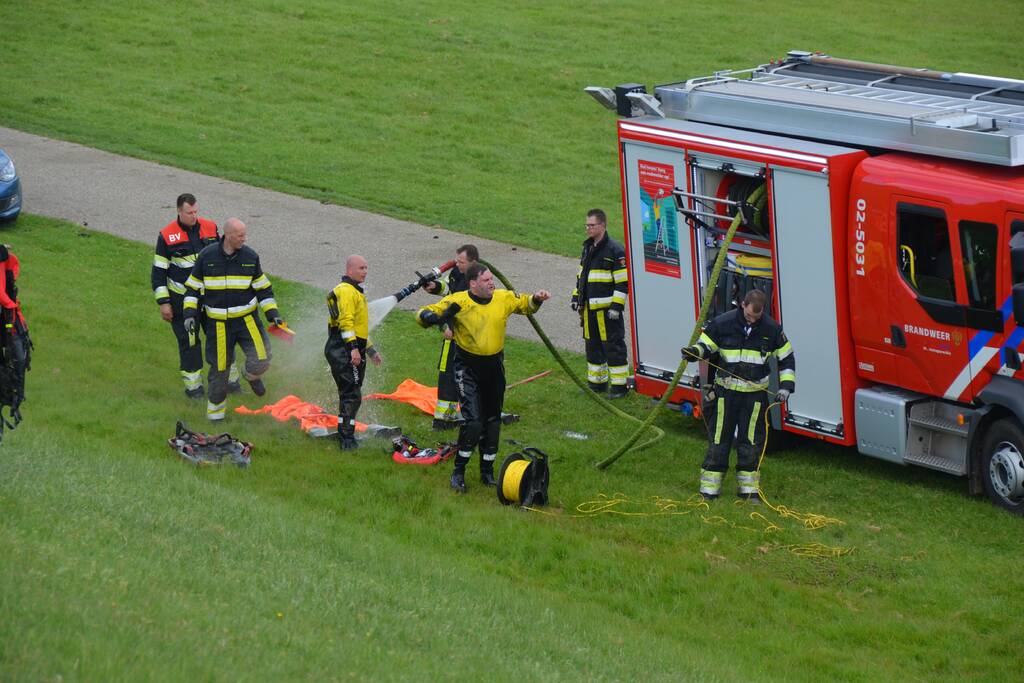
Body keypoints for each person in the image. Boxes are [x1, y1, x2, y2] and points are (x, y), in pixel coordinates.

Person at [418, 264, 550, 492]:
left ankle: (487, 473)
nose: (492, 283)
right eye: (487, 280)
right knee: (473, 422)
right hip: (467, 367)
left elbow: (526, 305)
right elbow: (422, 315)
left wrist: (537, 299)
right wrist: (431, 317)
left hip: (494, 368)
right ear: (473, 284)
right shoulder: (459, 301)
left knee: (492, 421)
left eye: (492, 279)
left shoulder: (503, 298)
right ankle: (458, 472)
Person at [681, 289, 795, 503]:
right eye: (750, 316)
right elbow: (705, 345)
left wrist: (786, 387)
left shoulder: (771, 329)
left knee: (751, 442)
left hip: (754, 398)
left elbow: (787, 359)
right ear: (743, 305)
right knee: (719, 439)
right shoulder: (723, 323)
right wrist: (694, 352)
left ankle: (748, 491)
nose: (752, 321)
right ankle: (709, 490)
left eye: (757, 317)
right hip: (726, 395)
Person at [183, 218, 285, 421]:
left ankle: (250, 375)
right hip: (218, 325)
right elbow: (192, 289)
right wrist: (188, 314)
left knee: (262, 358)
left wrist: (273, 315)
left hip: (247, 321)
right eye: (240, 235)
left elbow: (264, 289)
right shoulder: (207, 256)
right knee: (220, 371)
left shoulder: (250, 257)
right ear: (227, 235)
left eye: (244, 235)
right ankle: (215, 416)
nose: (244, 239)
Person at [151, 194, 240, 398]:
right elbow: (158, 273)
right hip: (182, 303)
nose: (193, 216)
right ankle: (194, 390)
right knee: (189, 344)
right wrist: (164, 303)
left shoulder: (210, 228)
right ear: (179, 212)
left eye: (195, 212)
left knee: (220, 339)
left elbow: (222, 258)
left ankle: (231, 382)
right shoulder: (167, 236)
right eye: (189, 213)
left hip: (210, 299)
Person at [325, 254, 383, 451]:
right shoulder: (347, 291)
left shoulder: (353, 291)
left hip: (348, 348)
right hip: (343, 349)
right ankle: (347, 439)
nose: (365, 272)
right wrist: (353, 350)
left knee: (351, 393)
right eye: (361, 268)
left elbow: (359, 328)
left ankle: (347, 434)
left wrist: (370, 350)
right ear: (349, 270)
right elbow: (346, 322)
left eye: (366, 268)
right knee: (351, 394)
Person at [572, 208, 630, 398]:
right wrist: (576, 297)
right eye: (586, 225)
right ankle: (597, 384)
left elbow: (622, 281)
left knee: (613, 347)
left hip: (607, 312)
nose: (587, 228)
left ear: (602, 226)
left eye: (591, 225)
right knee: (593, 347)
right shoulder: (588, 247)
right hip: (589, 310)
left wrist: (616, 306)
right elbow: (582, 276)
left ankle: (620, 387)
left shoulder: (615, 250)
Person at [422, 244, 478, 430]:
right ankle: (446, 420)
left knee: (464, 375)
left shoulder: (477, 281)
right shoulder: (456, 272)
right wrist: (434, 286)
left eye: (461, 262)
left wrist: (448, 326)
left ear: (473, 262)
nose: (457, 264)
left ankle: (456, 417)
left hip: (466, 336)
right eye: (457, 260)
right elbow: (448, 288)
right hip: (452, 332)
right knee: (447, 374)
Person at [0, 244, 30, 428]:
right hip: (7, 313)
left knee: (18, 356)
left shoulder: (4, 260)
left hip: (6, 317)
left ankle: (14, 394)